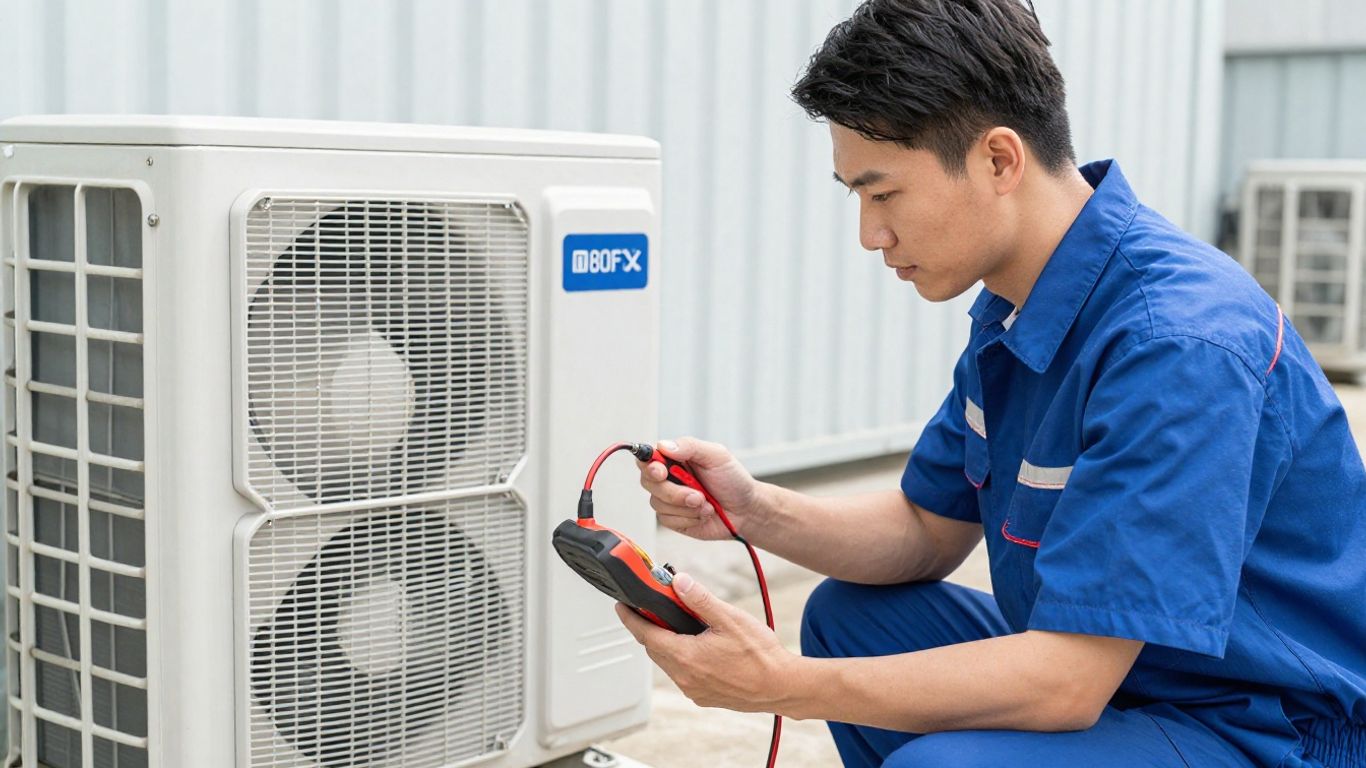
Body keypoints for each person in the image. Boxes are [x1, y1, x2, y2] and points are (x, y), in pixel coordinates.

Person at [612, 0, 1366, 766]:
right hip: (1135, 680)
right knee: (851, 619)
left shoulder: (1178, 342)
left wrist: (781, 684)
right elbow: (926, 529)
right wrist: (751, 509)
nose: (871, 235)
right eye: (857, 198)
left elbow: (1067, 683)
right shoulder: (1018, 309)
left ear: (999, 161)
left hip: (1267, 726)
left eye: (884, 194)